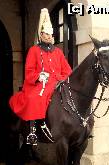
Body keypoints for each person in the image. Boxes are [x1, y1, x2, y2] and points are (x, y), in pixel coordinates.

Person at [9, 8, 72, 145]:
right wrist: (39, 76)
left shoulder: (58, 52)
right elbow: (29, 71)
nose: (49, 37)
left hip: (57, 83)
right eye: (46, 34)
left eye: (51, 35)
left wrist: (61, 79)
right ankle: (32, 132)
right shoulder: (34, 50)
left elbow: (67, 70)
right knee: (34, 98)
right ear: (41, 35)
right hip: (39, 84)